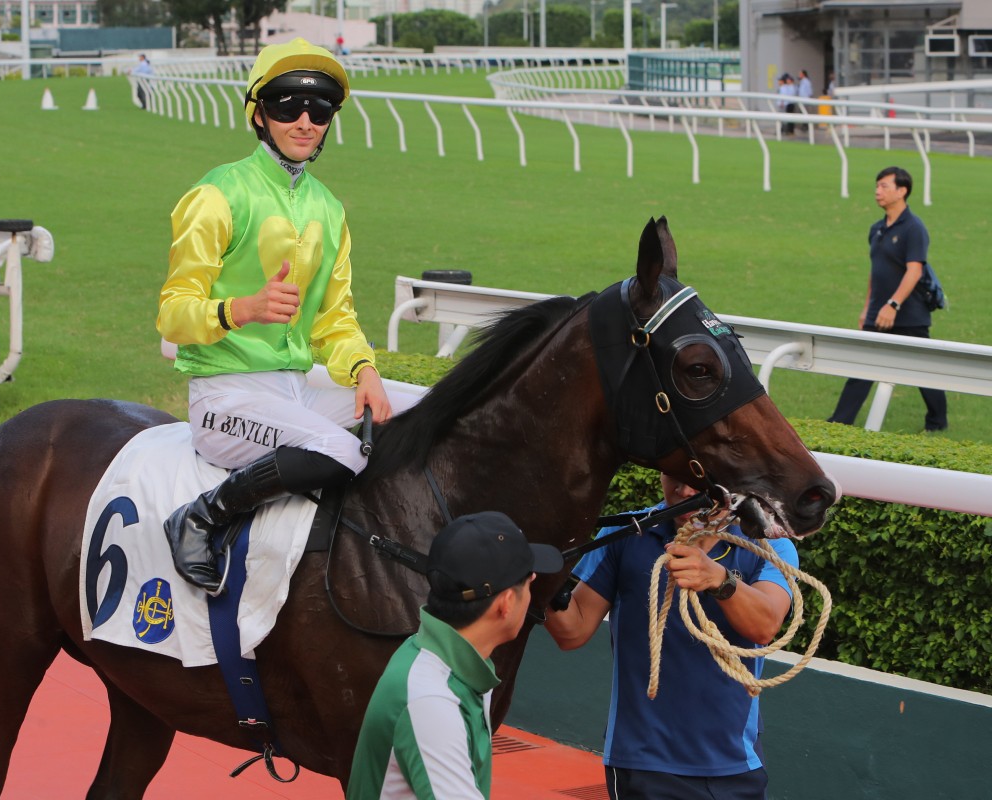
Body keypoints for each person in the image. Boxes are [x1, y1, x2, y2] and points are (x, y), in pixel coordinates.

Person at [157, 38, 400, 593]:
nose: (305, 120)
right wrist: (240, 309)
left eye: (320, 109)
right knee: (342, 448)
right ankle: (203, 515)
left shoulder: (329, 208)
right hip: (225, 396)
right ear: (258, 112)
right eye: (287, 104)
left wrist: (363, 370)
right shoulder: (217, 194)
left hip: (297, 389)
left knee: (429, 410)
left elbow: (334, 319)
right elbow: (172, 315)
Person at [545, 474, 798, 800]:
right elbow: (572, 631)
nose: (684, 490)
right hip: (644, 763)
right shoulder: (626, 533)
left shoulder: (771, 544)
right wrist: (541, 581)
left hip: (735, 764)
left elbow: (765, 625)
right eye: (673, 476)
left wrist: (718, 579)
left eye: (699, 481)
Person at [347, 511, 564, 799]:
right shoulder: (432, 699)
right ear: (507, 603)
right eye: (528, 580)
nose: (534, 580)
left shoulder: (447, 658)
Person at [827, 166, 947, 432]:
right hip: (878, 311)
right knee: (863, 366)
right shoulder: (877, 229)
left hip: (908, 312)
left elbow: (914, 271)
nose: (877, 191)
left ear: (902, 191)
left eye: (884, 186)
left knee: (923, 369)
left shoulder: (914, 228)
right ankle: (840, 421)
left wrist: (893, 305)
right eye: (877, 186)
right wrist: (867, 307)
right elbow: (877, 271)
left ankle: (937, 422)